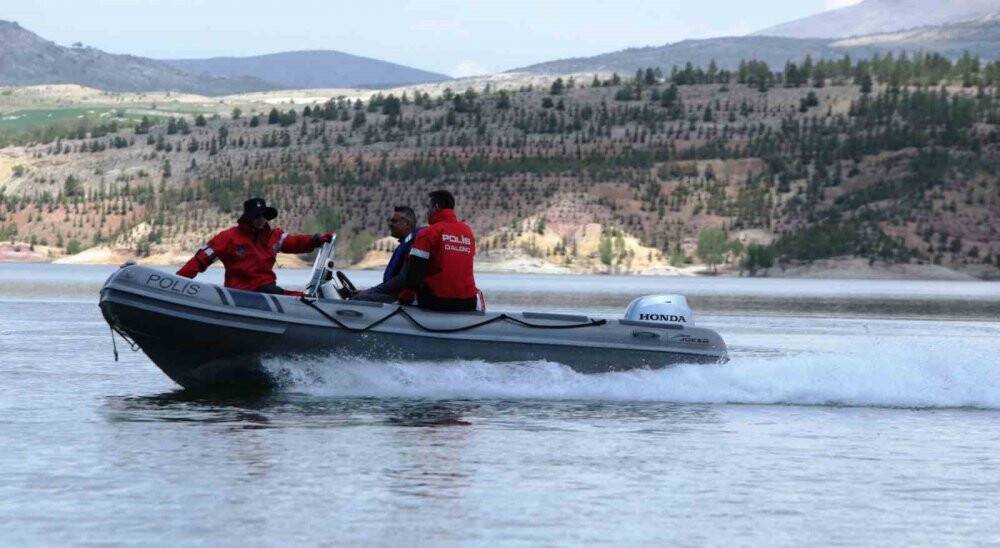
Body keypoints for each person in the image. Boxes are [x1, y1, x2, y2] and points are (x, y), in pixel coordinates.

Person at [177, 197, 333, 295]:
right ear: (248, 218)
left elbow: (295, 242)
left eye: (263, 216)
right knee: (274, 292)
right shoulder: (228, 238)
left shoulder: (274, 236)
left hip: (268, 291)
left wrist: (315, 240)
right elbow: (200, 260)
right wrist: (177, 282)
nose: (261, 220)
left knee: (284, 293)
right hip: (241, 293)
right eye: (256, 216)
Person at [401, 190, 480, 312]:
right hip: (469, 301)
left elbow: (416, 269)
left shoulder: (427, 233)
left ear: (436, 207)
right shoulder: (467, 232)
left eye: (428, 208)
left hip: (438, 301)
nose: (427, 212)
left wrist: (405, 296)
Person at [353, 206, 423, 303]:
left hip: (399, 300)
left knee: (358, 299)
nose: (390, 224)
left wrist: (371, 291)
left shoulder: (413, 245)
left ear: (407, 224)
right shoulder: (404, 244)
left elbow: (401, 280)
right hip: (394, 295)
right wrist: (370, 291)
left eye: (395, 221)